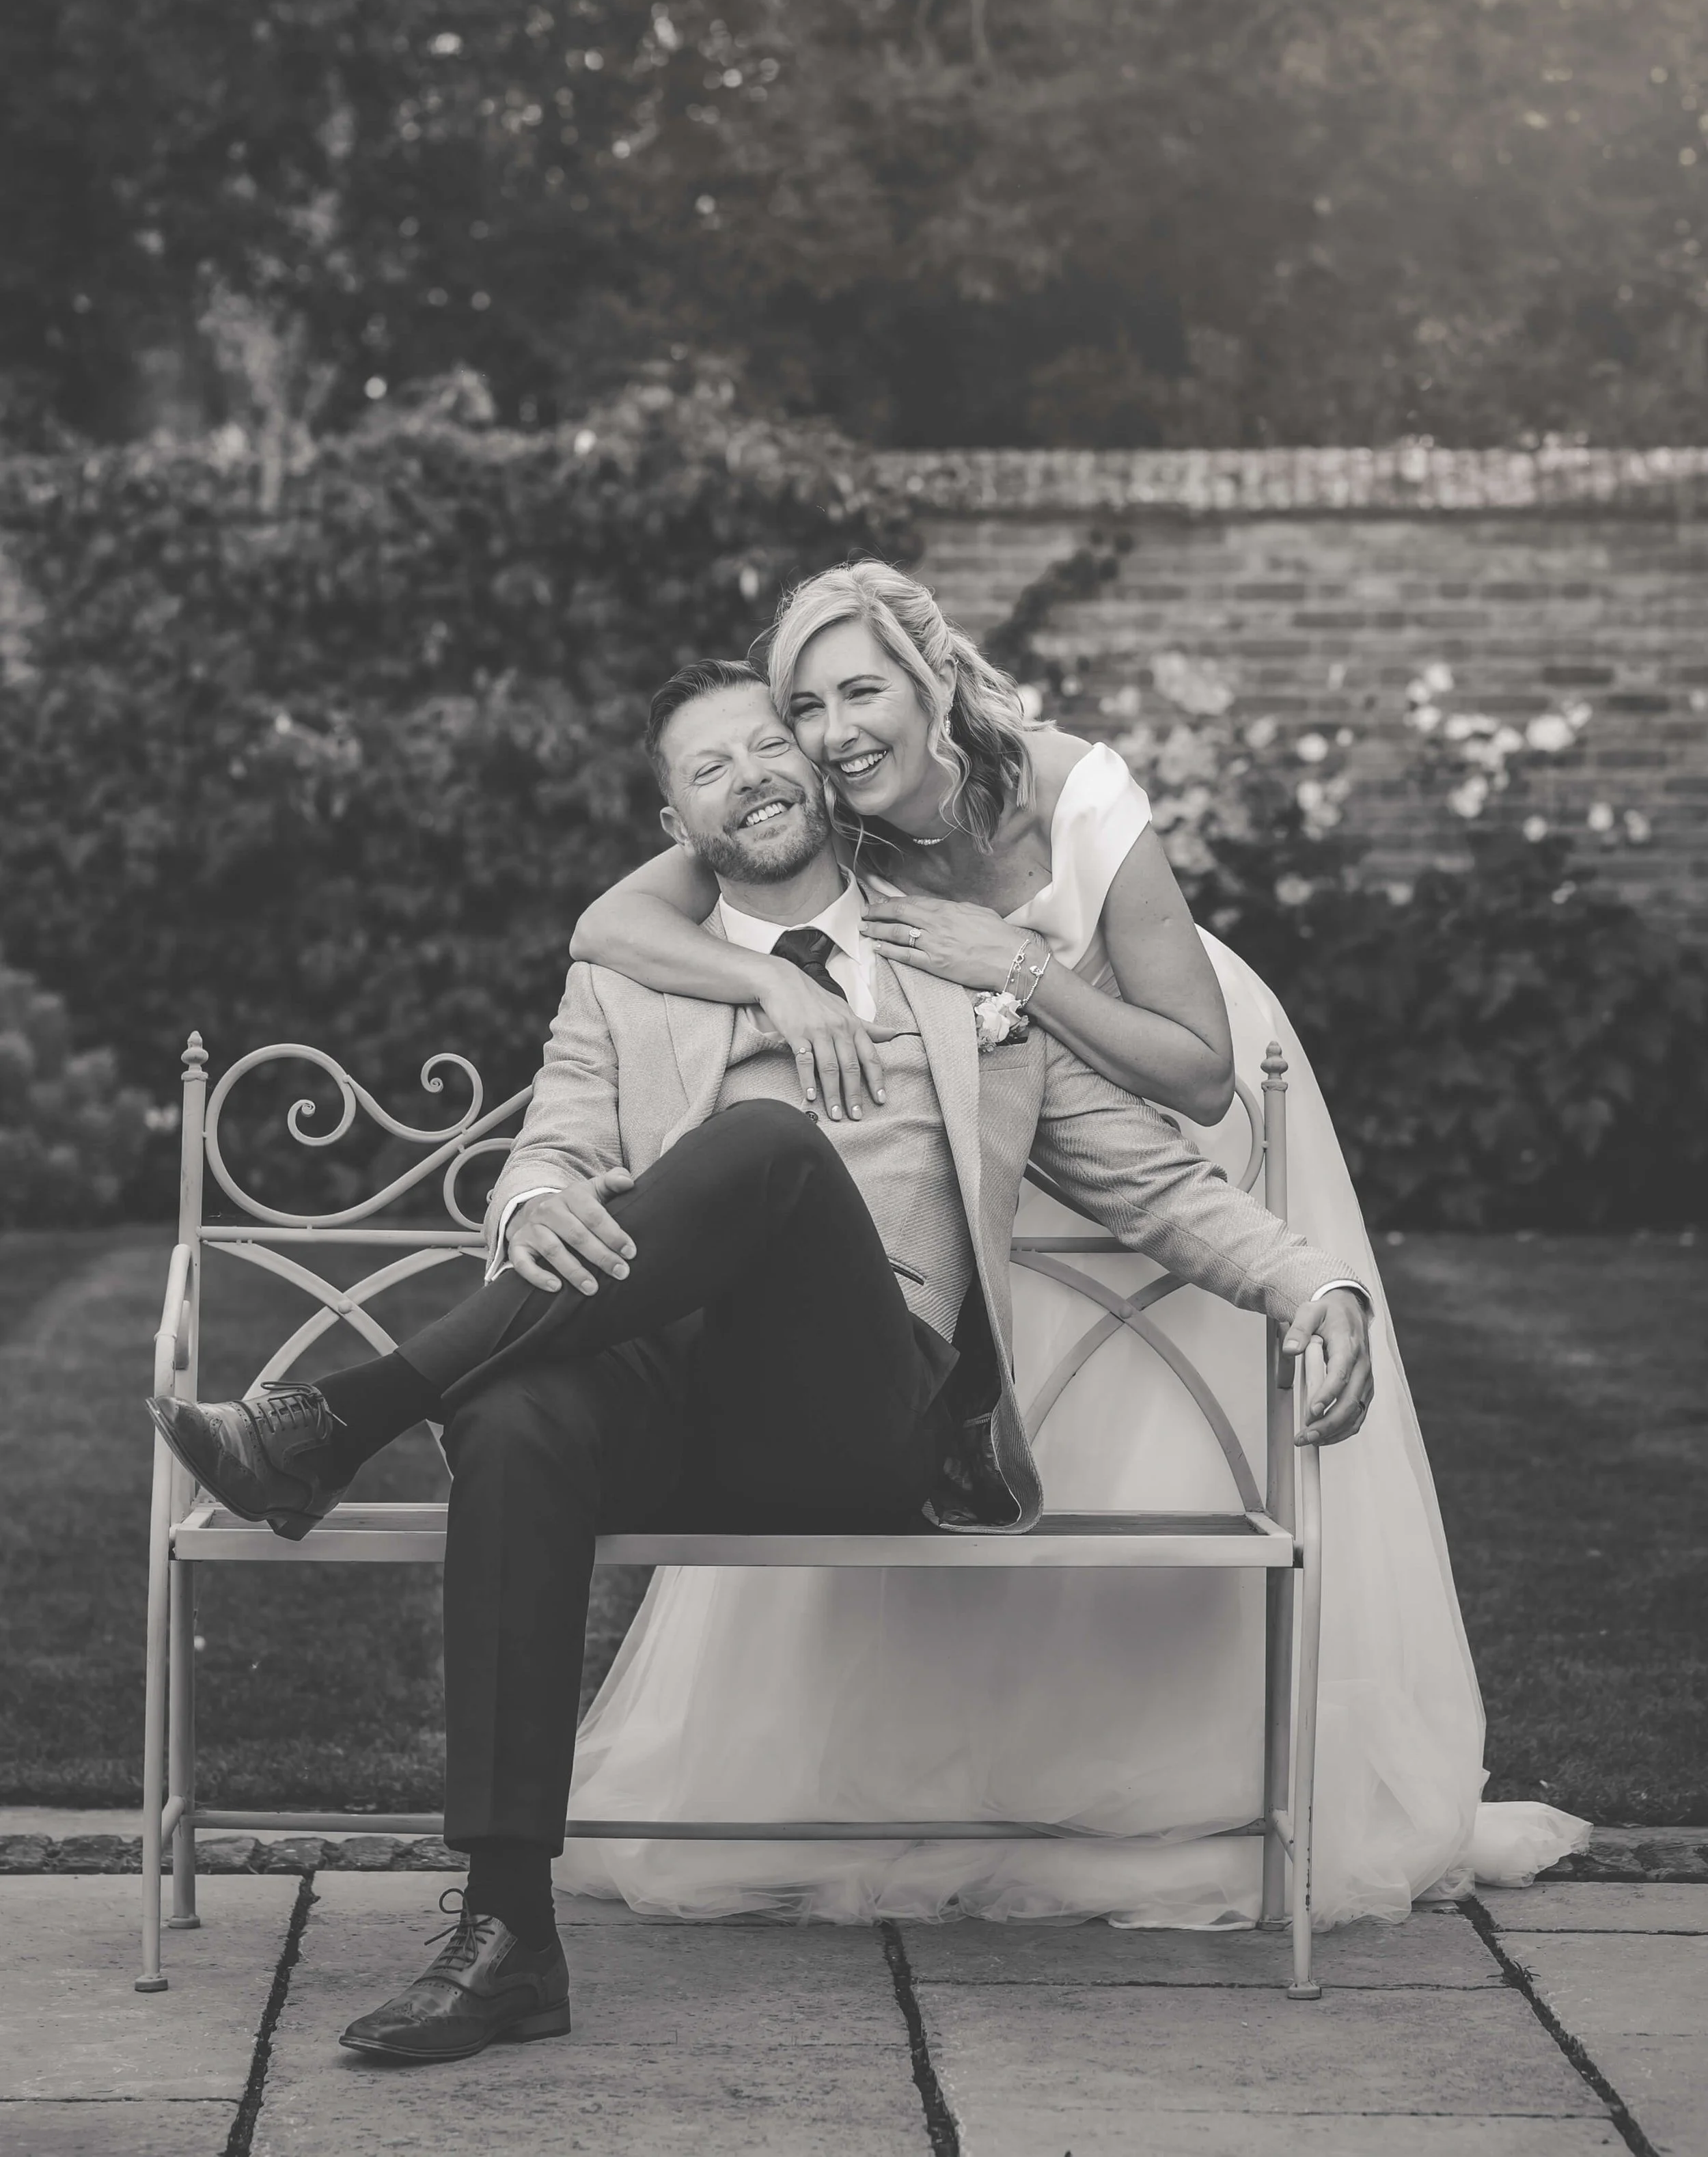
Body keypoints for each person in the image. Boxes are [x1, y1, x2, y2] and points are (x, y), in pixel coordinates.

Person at [148, 661, 1374, 2061]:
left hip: (853, 1408)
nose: (751, 775)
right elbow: (551, 1152)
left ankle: (339, 1415)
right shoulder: (623, 982)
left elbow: (1154, 1183)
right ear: (675, 819)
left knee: (767, 1149)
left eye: (766, 743)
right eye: (707, 767)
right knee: (516, 1412)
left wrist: (1311, 1281)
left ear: (811, 759)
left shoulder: (955, 968)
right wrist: (539, 1199)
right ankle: (506, 1935)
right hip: (660, 1389)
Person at [563, 563, 1589, 1928]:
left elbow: (1197, 1071)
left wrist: (1016, 970)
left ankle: (1169, 1784)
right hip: (977, 1122)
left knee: (1151, 1433)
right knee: (964, 1379)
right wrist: (761, 977)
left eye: (860, 689)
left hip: (1135, 1069)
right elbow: (609, 923)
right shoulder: (817, 809)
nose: (826, 731)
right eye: (801, 703)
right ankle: (916, 1784)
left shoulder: (1068, 788)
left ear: (934, 686)